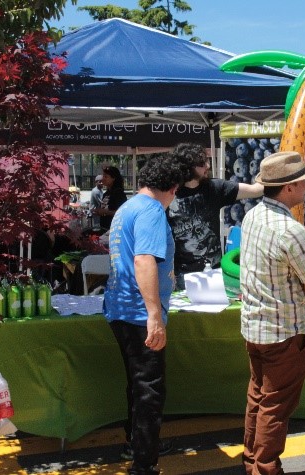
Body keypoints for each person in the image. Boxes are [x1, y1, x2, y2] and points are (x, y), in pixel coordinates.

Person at [239, 151, 305, 475]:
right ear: (288, 187)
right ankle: (265, 467)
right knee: (275, 407)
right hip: (284, 332)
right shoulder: (291, 230)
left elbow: (279, 261)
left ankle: (252, 462)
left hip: (256, 328)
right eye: (302, 181)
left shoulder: (253, 217)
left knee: (259, 399)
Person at [103, 154, 185, 475]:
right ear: (172, 188)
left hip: (121, 309)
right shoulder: (151, 211)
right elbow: (144, 261)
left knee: (137, 385)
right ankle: (144, 465)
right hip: (139, 314)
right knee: (150, 390)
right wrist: (154, 314)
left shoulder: (127, 207)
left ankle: (136, 443)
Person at [167, 143, 263, 289]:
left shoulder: (215, 188)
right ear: (187, 167)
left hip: (212, 273)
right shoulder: (169, 193)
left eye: (206, 160)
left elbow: (256, 190)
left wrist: (276, 170)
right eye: (201, 163)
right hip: (181, 277)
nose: (207, 165)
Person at [95, 166, 128, 233]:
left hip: (114, 231)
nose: (103, 179)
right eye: (103, 176)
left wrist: (105, 212)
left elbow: (123, 213)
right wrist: (99, 211)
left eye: (106, 176)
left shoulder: (119, 193)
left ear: (113, 178)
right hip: (104, 229)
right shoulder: (106, 193)